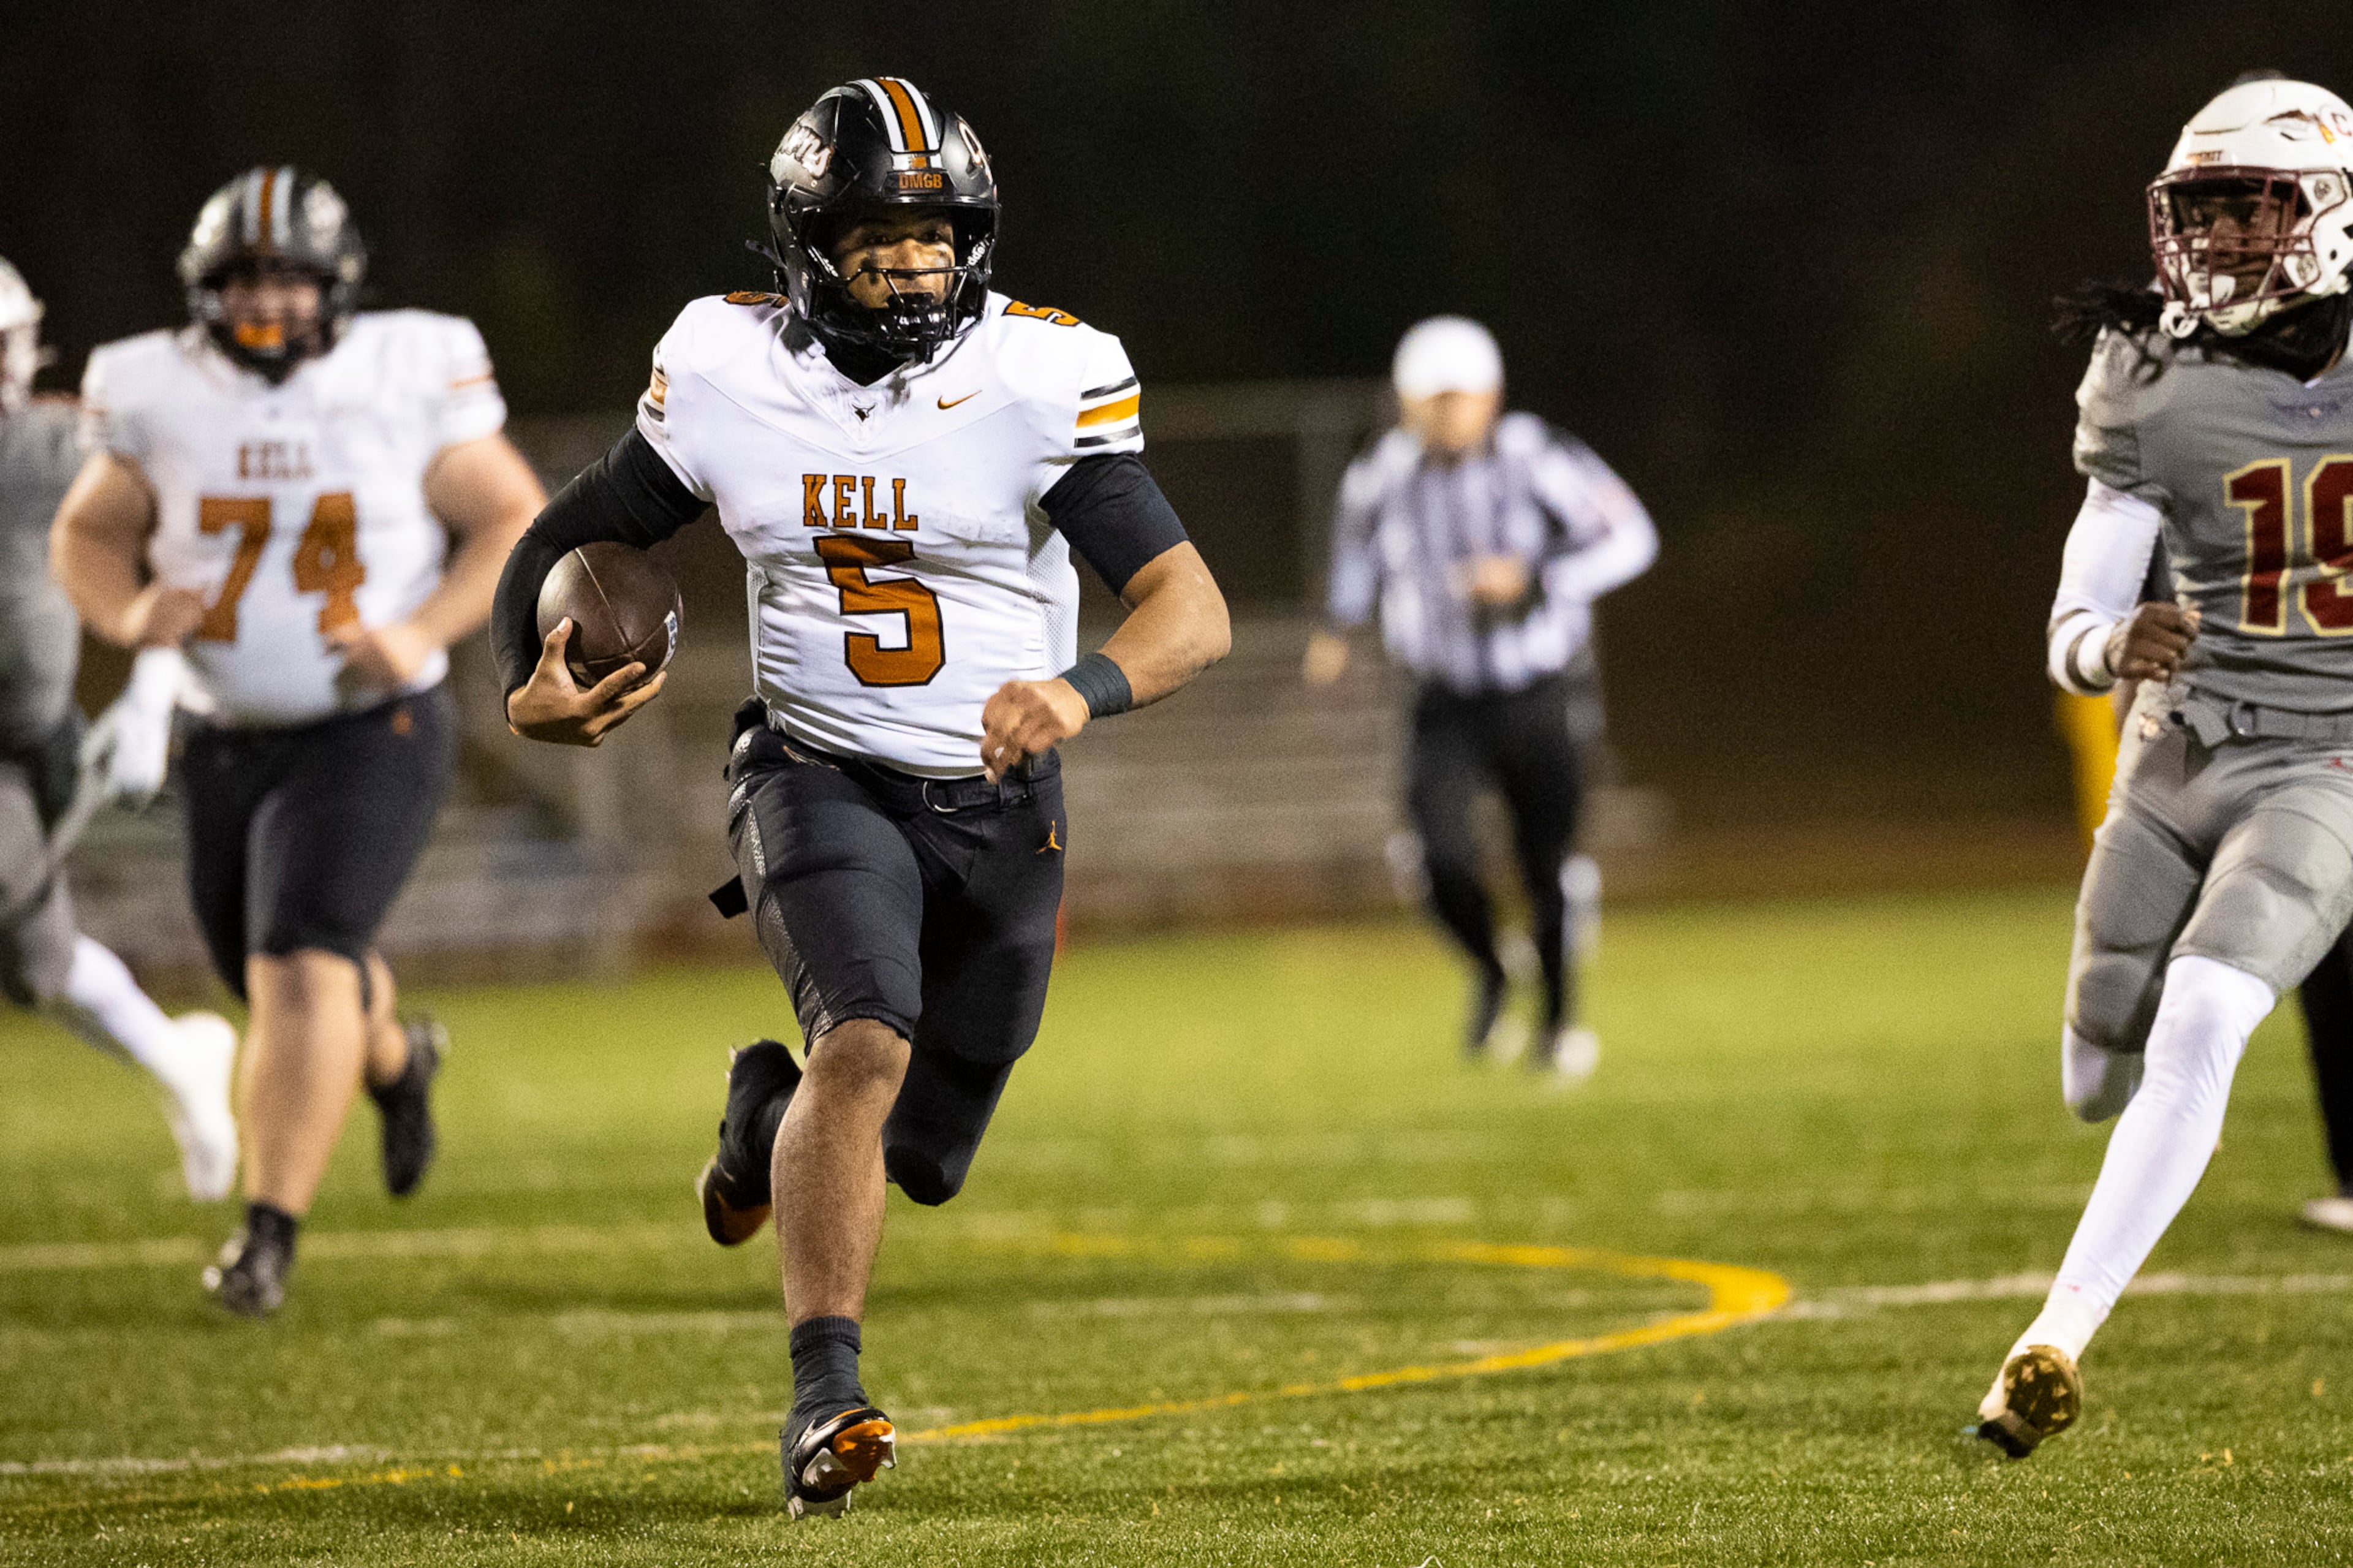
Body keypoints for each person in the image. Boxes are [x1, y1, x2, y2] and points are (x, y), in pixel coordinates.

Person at [491, 78, 1229, 1518]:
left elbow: (1187, 605)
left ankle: (758, 1115)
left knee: (929, 1156)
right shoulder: (727, 368)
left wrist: (1081, 688)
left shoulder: (1034, 377)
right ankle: (824, 1389)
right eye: (881, 238)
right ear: (807, 245)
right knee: (865, 1037)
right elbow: (570, 533)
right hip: (813, 774)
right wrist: (524, 672)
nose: (915, 264)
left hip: (1002, 805)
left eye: (938, 236)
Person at [50, 168, 545, 1316]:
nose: (266, 300)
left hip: (378, 721)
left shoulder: (404, 372)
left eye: (288, 278)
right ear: (202, 292)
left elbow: (511, 513)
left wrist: (418, 628)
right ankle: (394, 1057)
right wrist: (127, 617)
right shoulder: (153, 388)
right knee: (270, 973)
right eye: (243, 280)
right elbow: (88, 533)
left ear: (338, 286)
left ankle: (267, 1231)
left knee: (300, 958)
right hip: (226, 736)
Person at [1980, 75, 2353, 1456]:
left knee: (2206, 1009)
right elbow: (2087, 588)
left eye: (2259, 206)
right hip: (2173, 749)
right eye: (2206, 210)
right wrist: (2100, 643)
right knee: (2098, 1062)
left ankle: (2053, 1336)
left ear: (2324, 213)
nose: (2230, 239)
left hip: (2327, 757)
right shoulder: (2148, 370)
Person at [1304, 317, 1656, 1075]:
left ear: (1491, 396)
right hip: (1445, 698)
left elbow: (1630, 538)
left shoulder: (1537, 456)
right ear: (1406, 401)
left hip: (1539, 689)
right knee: (1436, 861)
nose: (1446, 413)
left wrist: (1537, 576)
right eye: (1431, 399)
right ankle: (1495, 971)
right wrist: (1337, 627)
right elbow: (1355, 557)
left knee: (1547, 865)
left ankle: (1560, 1024)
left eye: (1459, 397)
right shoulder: (1384, 473)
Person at [0, 255, 238, 1200]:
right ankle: (180, 1058)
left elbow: (207, 534)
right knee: (40, 968)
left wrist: (153, 684)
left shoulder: (55, 447)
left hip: (25, 750)